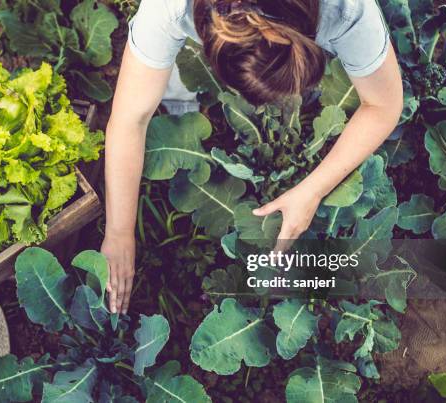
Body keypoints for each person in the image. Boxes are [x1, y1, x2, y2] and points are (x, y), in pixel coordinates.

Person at [101, 0, 404, 314]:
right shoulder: (169, 7)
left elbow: (384, 105)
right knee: (167, 81)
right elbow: (129, 120)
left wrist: (312, 190)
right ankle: (181, 101)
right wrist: (119, 232)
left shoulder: (346, 8)